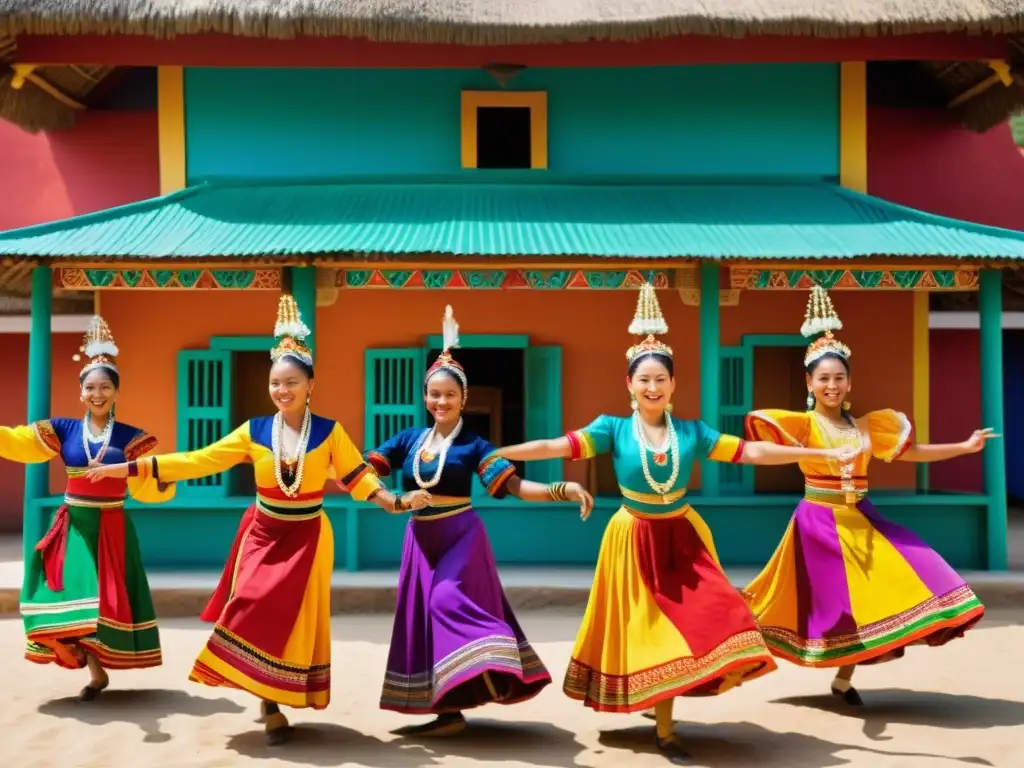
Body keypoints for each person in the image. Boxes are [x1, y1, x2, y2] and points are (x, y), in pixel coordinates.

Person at [490, 283, 857, 763]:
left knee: (719, 614)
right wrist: (498, 450)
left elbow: (753, 451)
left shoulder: (691, 433)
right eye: (644, 380)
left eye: (661, 379)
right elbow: (554, 447)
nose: (652, 387)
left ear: (673, 384)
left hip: (683, 537)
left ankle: (667, 713)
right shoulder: (612, 429)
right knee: (654, 633)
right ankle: (665, 728)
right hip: (633, 538)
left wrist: (816, 451)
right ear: (629, 385)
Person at [85, 294, 424, 746]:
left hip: (309, 535)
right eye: (275, 383)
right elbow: (198, 460)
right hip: (263, 532)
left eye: (291, 382)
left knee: (294, 621)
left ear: (310, 385)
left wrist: (395, 501)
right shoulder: (253, 431)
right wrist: (127, 468)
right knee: (248, 605)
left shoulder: (329, 432)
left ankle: (273, 702)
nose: (282, 390)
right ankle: (264, 696)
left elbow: (358, 477)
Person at [743, 284, 993, 706]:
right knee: (826, 607)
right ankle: (736, 655)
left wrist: (963, 447)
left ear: (849, 381)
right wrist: (821, 452)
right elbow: (763, 452)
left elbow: (911, 452)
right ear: (810, 382)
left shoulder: (864, 427)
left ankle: (843, 680)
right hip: (818, 525)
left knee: (895, 582)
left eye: (839, 378)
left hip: (861, 518)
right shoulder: (804, 425)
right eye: (824, 378)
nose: (832, 385)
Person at [367, 305, 594, 737]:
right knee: (424, 620)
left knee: (444, 603)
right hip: (420, 539)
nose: (441, 401)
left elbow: (515, 487)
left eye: (449, 395)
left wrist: (561, 490)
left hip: (460, 537)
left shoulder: (474, 445)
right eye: (434, 394)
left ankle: (498, 653)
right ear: (425, 396)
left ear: (463, 400)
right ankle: (449, 712)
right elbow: (365, 468)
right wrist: (337, 469)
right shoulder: (408, 440)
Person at [1, 316, 171, 701]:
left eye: (105, 387)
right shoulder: (62, 430)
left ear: (116, 392)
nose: (98, 393)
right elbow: (16, 441)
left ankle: (98, 671)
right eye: (90, 387)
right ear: (81, 392)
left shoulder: (130, 438)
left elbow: (147, 482)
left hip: (112, 526)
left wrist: (165, 480)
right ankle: (89, 666)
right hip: (75, 526)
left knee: (106, 601)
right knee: (74, 596)